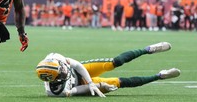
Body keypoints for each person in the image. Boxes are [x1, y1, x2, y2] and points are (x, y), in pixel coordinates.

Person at [36, 42, 180, 97]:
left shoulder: (56, 58)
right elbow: (76, 90)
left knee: (113, 63)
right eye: (61, 72)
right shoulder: (56, 92)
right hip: (81, 86)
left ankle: (147, 50)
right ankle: (159, 76)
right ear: (55, 79)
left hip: (81, 71)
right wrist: (96, 85)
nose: (63, 70)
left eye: (61, 68)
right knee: (119, 82)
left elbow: (78, 66)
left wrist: (90, 82)